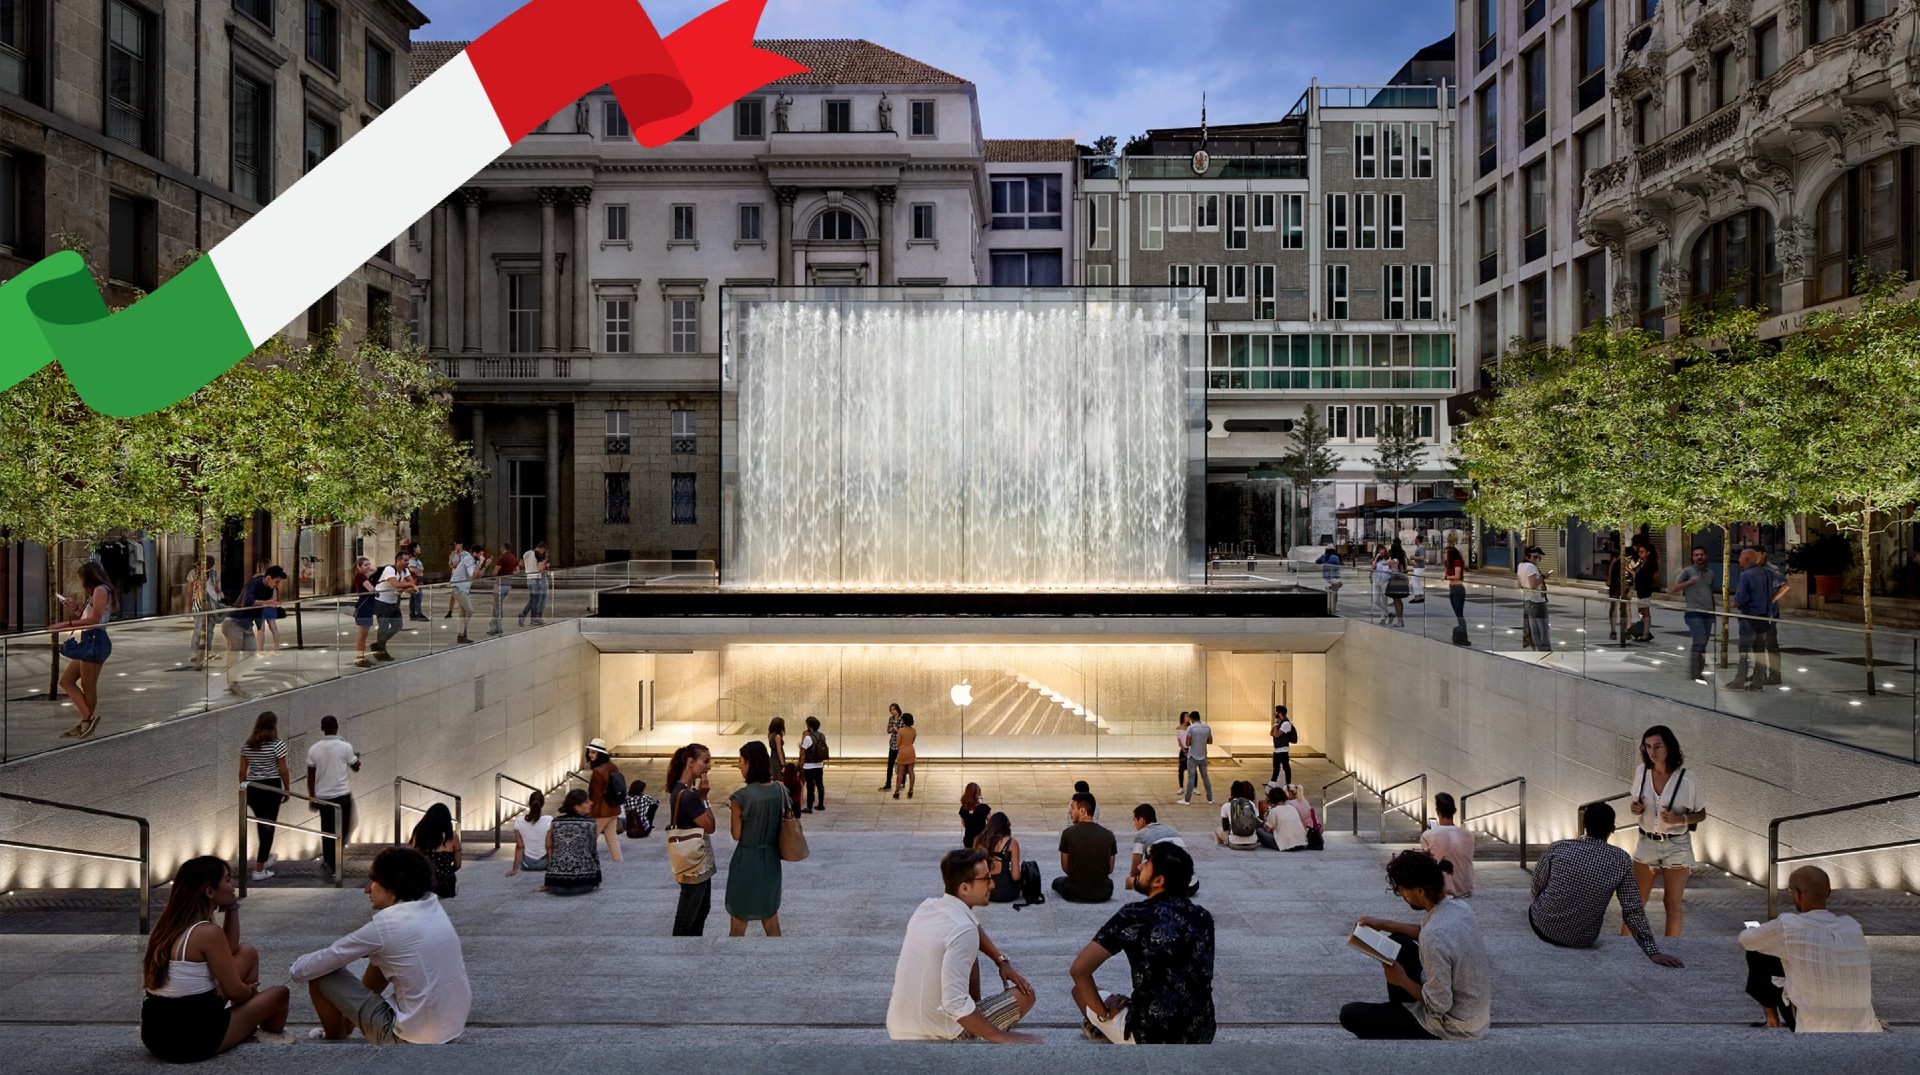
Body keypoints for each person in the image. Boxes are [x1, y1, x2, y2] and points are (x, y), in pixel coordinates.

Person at [291, 846, 472, 1044]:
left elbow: (303, 970)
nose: (367, 889)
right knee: (382, 956)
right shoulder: (431, 905)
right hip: (450, 1028)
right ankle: (349, 1023)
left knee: (320, 974)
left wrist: (299, 962)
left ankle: (336, 1035)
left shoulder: (387, 924)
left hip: (409, 1038)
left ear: (393, 886)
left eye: (374, 881)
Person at [140, 856, 294, 1061]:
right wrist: (249, 991)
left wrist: (232, 908)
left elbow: (229, 950)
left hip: (155, 1034)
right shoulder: (207, 932)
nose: (233, 886)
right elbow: (235, 993)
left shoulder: (167, 926)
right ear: (210, 891)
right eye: (228, 880)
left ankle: (241, 1025)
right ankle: (257, 1030)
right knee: (280, 994)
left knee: (247, 952)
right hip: (191, 1040)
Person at [885, 849, 1039, 1043]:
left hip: (900, 1028)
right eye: (986, 879)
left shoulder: (927, 907)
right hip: (941, 1034)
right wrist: (999, 1036)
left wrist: (1001, 960)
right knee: (1026, 995)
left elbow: (973, 927)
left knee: (970, 950)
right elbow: (954, 1003)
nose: (992, 884)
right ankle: (976, 1032)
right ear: (964, 888)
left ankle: (976, 1012)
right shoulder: (963, 931)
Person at [1069, 841, 1214, 1044]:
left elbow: (1079, 970)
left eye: (1146, 864)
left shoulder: (1134, 915)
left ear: (1159, 880)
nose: (1139, 867)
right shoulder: (1203, 917)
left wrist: (1104, 1011)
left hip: (1150, 1036)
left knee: (1080, 993)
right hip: (1201, 1033)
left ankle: (1101, 1025)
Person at [1339, 849, 1490, 1040]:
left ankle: (1401, 1015)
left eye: (1403, 889)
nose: (1402, 894)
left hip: (1455, 1024)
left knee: (1350, 1015)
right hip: (1476, 1012)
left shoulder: (1433, 935)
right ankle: (1399, 1011)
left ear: (1420, 891)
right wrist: (1384, 924)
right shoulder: (1459, 908)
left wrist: (1401, 979)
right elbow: (1427, 932)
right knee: (1399, 940)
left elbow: (1439, 1004)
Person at [1530, 802, 1684, 966]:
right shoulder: (1621, 859)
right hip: (1582, 938)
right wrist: (1653, 952)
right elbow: (1632, 909)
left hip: (1542, 925)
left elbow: (1536, 886)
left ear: (1584, 825)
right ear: (1613, 829)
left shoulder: (1558, 847)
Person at [1738, 866, 1882, 1033]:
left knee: (1758, 954)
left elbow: (1746, 940)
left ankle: (1772, 1020)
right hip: (1863, 1025)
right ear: (1828, 893)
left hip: (1812, 1025)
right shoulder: (1852, 926)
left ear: (1797, 894)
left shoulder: (1789, 925)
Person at [1627, 724, 1706, 937]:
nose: (1653, 751)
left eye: (1658, 746)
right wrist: (1636, 809)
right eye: (1648, 747)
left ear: (1669, 747)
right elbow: (1635, 804)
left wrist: (1681, 819)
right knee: (1635, 903)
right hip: (1647, 841)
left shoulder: (1687, 778)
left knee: (1672, 904)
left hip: (1677, 845)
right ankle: (1624, 951)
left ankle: (1672, 950)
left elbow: (1701, 813)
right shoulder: (1642, 772)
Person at [727, 740, 787, 936]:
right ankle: (778, 962)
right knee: (771, 918)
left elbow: (736, 835)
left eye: (741, 760)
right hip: (770, 860)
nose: (739, 765)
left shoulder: (740, 797)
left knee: (738, 921)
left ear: (749, 763)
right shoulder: (780, 790)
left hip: (747, 861)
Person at [665, 743, 716, 935]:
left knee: (700, 911)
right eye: (706, 761)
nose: (708, 766)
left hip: (695, 861)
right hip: (693, 864)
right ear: (690, 762)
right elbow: (710, 826)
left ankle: (691, 949)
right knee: (689, 916)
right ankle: (681, 953)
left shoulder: (682, 791)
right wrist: (704, 797)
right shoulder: (687, 796)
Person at [238, 710, 292, 882]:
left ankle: (264, 858)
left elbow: (241, 773)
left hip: (253, 788)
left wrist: (244, 788)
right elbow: (283, 770)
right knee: (268, 828)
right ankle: (259, 869)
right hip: (271, 787)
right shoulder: (278, 745)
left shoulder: (247, 745)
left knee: (262, 825)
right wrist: (287, 789)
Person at [306, 715, 360, 877]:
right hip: (342, 795)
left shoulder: (314, 749)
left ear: (322, 729)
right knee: (343, 829)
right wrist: (358, 758)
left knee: (327, 830)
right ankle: (333, 862)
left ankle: (329, 862)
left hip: (323, 797)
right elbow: (355, 767)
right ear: (337, 727)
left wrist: (312, 797)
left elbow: (310, 776)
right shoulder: (345, 747)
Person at [219, 565, 284, 697]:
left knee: (251, 653)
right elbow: (246, 602)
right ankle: (233, 682)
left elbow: (261, 608)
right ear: (268, 577)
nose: (276, 585)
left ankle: (233, 677)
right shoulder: (254, 583)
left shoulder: (269, 589)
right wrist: (267, 603)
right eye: (276, 582)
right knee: (235, 653)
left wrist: (260, 627)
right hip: (233, 622)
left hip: (247, 625)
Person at [1054, 792, 1117, 903]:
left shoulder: (1068, 833)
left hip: (1075, 893)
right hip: (1103, 894)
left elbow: (1065, 867)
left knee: (1057, 882)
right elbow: (1110, 869)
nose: (1069, 811)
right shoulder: (1109, 835)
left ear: (1082, 811)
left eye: (1072, 808)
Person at [538, 790, 601, 895]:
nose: (591, 803)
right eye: (586, 802)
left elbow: (551, 849)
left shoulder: (556, 822)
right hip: (582, 884)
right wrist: (597, 879)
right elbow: (593, 852)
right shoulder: (589, 823)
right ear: (577, 807)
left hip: (556, 886)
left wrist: (547, 883)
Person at [1671, 545, 1716, 683]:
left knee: (1703, 643)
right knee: (1700, 641)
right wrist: (1689, 582)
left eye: (1701, 554)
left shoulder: (1710, 573)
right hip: (1693, 612)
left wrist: (1714, 611)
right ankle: (1694, 672)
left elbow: (1710, 592)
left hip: (1707, 613)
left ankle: (1698, 671)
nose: (1699, 557)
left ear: (1706, 556)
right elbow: (1674, 588)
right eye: (1696, 555)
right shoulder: (1687, 571)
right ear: (1692, 557)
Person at [1127, 804, 1196, 894]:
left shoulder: (1141, 835)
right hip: (1193, 885)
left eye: (1134, 820)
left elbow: (1134, 871)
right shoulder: (1171, 829)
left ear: (1141, 820)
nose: (1134, 824)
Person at [1418, 792, 1474, 898]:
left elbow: (1425, 862)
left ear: (1438, 812)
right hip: (1466, 887)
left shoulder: (1428, 835)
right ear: (1454, 811)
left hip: (1443, 889)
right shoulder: (1469, 835)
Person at [407, 802, 462, 899]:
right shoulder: (452, 837)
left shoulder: (419, 834)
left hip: (424, 883)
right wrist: (447, 871)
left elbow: (411, 858)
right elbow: (458, 865)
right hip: (445, 884)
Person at [584, 738, 625, 863]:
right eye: (590, 752)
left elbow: (595, 795)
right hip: (613, 808)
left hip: (602, 811)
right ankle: (618, 861)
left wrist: (590, 813)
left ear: (599, 754)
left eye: (593, 752)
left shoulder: (598, 771)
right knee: (612, 838)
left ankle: (584, 863)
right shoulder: (612, 766)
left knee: (590, 838)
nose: (590, 755)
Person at [371, 552, 415, 662]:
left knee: (398, 625)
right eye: (405, 560)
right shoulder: (389, 570)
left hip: (393, 600)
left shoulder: (405, 570)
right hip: (382, 601)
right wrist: (408, 586)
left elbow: (412, 581)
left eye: (408, 560)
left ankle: (378, 645)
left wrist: (409, 585)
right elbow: (397, 584)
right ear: (398, 560)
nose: (407, 563)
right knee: (383, 626)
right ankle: (381, 651)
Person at [976, 811, 1021, 904]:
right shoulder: (1011, 843)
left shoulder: (979, 840)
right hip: (1006, 893)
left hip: (985, 892)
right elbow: (1016, 876)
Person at [186, 554, 221, 668]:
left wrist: (219, 593)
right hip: (199, 603)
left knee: (210, 630)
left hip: (212, 603)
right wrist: (187, 606)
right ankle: (195, 653)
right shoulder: (193, 573)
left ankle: (207, 651)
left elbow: (216, 587)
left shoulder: (214, 573)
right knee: (198, 629)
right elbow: (189, 591)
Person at [505, 790, 550, 876]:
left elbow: (520, 847)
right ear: (542, 804)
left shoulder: (519, 821)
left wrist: (515, 869)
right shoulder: (549, 820)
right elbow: (549, 846)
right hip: (545, 864)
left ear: (529, 803)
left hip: (527, 864)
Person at [1626, 535, 1660, 642]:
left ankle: (1645, 634)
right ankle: (1644, 632)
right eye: (1639, 552)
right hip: (1641, 589)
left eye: (1642, 552)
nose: (1639, 554)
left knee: (1645, 611)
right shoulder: (1642, 562)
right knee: (1642, 610)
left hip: (1645, 590)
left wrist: (1628, 569)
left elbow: (1640, 575)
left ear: (1648, 553)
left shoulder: (1650, 564)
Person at [1518, 545, 1550, 650]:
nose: (1538, 560)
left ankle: (1540, 651)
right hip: (1537, 601)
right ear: (1529, 556)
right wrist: (1543, 576)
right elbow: (1533, 585)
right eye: (1536, 557)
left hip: (1528, 600)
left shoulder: (1521, 565)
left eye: (1539, 558)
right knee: (1542, 629)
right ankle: (1545, 651)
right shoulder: (1530, 567)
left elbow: (1519, 584)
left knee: (1534, 628)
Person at [348, 556, 378, 667]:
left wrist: (368, 569)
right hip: (364, 608)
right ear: (359, 566)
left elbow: (375, 570)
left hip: (368, 607)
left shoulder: (363, 576)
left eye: (369, 564)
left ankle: (362, 657)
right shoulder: (361, 576)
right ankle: (360, 658)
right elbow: (372, 590)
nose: (369, 567)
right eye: (365, 565)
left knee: (363, 636)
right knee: (362, 636)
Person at [1258, 785, 1308, 851]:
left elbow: (1267, 830)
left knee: (1259, 831)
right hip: (1301, 843)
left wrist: (1265, 819)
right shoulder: (1292, 808)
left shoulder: (1274, 811)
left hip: (1286, 845)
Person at [1215, 780, 1261, 851]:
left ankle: (1220, 849)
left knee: (1218, 830)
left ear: (1232, 792)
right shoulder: (1251, 804)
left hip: (1235, 844)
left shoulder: (1227, 805)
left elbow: (1225, 828)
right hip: (1252, 843)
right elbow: (1256, 823)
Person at [447, 542, 478, 644]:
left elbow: (478, 575)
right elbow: (472, 575)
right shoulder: (468, 559)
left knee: (462, 612)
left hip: (463, 588)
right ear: (475, 553)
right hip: (458, 587)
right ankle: (463, 632)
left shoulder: (472, 560)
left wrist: (483, 565)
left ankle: (461, 636)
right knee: (469, 610)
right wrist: (481, 563)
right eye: (481, 554)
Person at [1180, 711, 1213, 804]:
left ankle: (1187, 799)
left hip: (1192, 756)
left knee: (1191, 778)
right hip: (1203, 755)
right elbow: (1210, 741)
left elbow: (1187, 743)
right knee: (1205, 777)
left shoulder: (1191, 728)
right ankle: (1210, 798)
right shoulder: (1207, 728)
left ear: (1192, 719)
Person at [486, 545, 518, 637]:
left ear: (503, 548)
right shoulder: (513, 557)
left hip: (500, 584)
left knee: (497, 606)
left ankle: (496, 627)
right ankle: (496, 627)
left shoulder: (502, 558)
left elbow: (495, 572)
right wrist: (509, 572)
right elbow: (517, 571)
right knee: (497, 605)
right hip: (508, 584)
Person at [798, 715, 827, 811]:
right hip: (819, 764)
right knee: (820, 784)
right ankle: (821, 804)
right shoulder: (822, 736)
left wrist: (801, 764)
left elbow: (803, 752)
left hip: (809, 765)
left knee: (810, 786)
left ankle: (809, 807)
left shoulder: (808, 738)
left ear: (809, 727)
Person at [517, 540, 549, 626]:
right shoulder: (538, 554)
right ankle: (533, 620)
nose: (543, 552)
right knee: (536, 601)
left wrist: (529, 566)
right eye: (543, 551)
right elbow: (541, 568)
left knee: (532, 600)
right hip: (536, 579)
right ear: (542, 548)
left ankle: (523, 615)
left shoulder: (526, 553)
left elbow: (520, 564)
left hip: (529, 579)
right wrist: (546, 565)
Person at [1443, 541, 1469, 638]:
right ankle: (1461, 627)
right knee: (1456, 610)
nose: (1444, 555)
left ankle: (1463, 629)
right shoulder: (1448, 563)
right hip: (1452, 588)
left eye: (1445, 553)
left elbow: (1457, 576)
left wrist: (1446, 578)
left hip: (1458, 588)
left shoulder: (1456, 562)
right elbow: (1447, 574)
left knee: (1459, 611)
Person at [1384, 540, 1411, 627]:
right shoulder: (1404, 559)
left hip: (1396, 580)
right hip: (1403, 579)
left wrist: (1388, 556)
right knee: (1398, 600)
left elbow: (1384, 563)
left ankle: (1400, 620)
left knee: (1396, 600)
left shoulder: (1394, 560)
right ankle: (1400, 619)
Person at [879, 702, 904, 791]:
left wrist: (897, 730)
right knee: (890, 765)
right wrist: (891, 729)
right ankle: (888, 783)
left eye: (893, 709)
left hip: (901, 745)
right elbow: (888, 730)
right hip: (893, 744)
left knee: (901, 764)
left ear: (897, 709)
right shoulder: (891, 719)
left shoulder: (902, 718)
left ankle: (902, 782)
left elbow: (904, 731)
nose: (892, 711)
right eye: (891, 710)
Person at [892, 713, 918, 799]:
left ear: (904, 721)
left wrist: (901, 749)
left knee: (900, 773)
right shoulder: (913, 731)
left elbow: (898, 743)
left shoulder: (901, 731)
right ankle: (911, 790)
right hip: (911, 751)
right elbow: (913, 741)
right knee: (911, 772)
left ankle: (897, 792)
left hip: (903, 752)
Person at [959, 783, 991, 850]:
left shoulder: (963, 809)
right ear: (977, 793)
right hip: (982, 839)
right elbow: (991, 822)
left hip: (968, 839)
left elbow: (964, 823)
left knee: (970, 858)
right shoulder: (984, 808)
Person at [1269, 704, 1294, 785]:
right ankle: (1273, 782)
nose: (1274, 713)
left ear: (1280, 713)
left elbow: (1276, 734)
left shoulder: (1286, 723)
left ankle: (1288, 783)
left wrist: (1276, 726)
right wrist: (1275, 730)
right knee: (1276, 767)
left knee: (1285, 766)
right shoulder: (1279, 723)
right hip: (1277, 749)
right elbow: (1271, 733)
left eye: (1276, 711)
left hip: (1283, 749)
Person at [404, 542, 428, 622]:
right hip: (416, 579)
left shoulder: (414, 558)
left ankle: (412, 614)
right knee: (418, 596)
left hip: (417, 579)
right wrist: (420, 573)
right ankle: (419, 613)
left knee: (414, 597)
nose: (420, 548)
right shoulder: (412, 559)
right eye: (418, 547)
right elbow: (411, 568)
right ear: (414, 548)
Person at [1316, 546, 1343, 610]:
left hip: (1326, 575)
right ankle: (1333, 607)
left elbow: (1317, 561)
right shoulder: (1335, 557)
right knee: (1335, 591)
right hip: (1334, 575)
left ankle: (1330, 588)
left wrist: (1324, 562)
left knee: (1338, 585)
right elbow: (1337, 566)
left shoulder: (1323, 556)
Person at [1174, 711, 1191, 794]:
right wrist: (1184, 750)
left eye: (1189, 716)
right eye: (1186, 716)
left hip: (1190, 749)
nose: (1188, 718)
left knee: (1192, 769)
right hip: (1183, 750)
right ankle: (1181, 787)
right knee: (1181, 770)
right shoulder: (1179, 728)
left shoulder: (1191, 728)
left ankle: (1193, 787)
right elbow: (1179, 741)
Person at [1410, 534, 1429, 603]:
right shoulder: (1420, 547)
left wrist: (1413, 557)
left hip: (1419, 566)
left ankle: (1417, 596)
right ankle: (1421, 595)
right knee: (1417, 581)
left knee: (1414, 580)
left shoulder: (1420, 547)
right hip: (1418, 566)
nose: (1414, 541)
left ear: (1417, 540)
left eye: (1415, 539)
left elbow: (1421, 557)